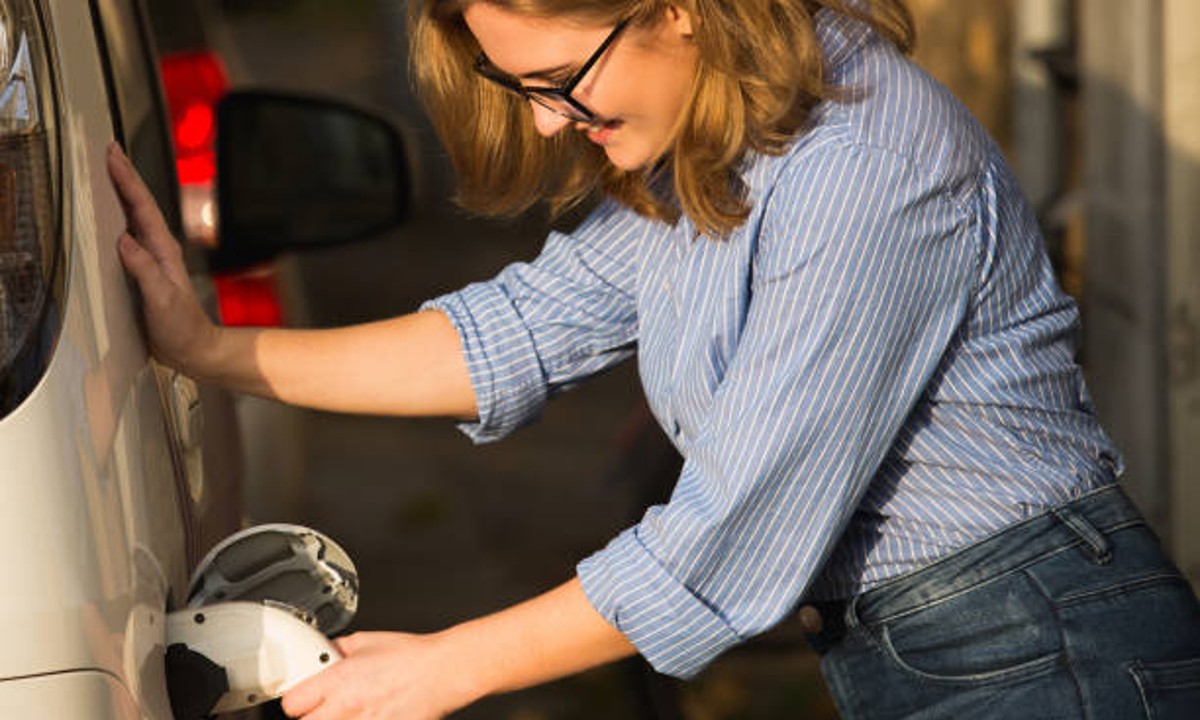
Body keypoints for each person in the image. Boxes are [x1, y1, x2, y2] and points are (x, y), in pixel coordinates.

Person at [108, 0, 1200, 718]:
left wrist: (447, 668)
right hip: (945, 644)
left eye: (554, 79)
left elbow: (733, 531)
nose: (543, 126)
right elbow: (518, 333)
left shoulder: (864, 168)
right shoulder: (729, 136)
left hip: (1046, 647)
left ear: (675, 11)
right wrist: (209, 349)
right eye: (518, 90)